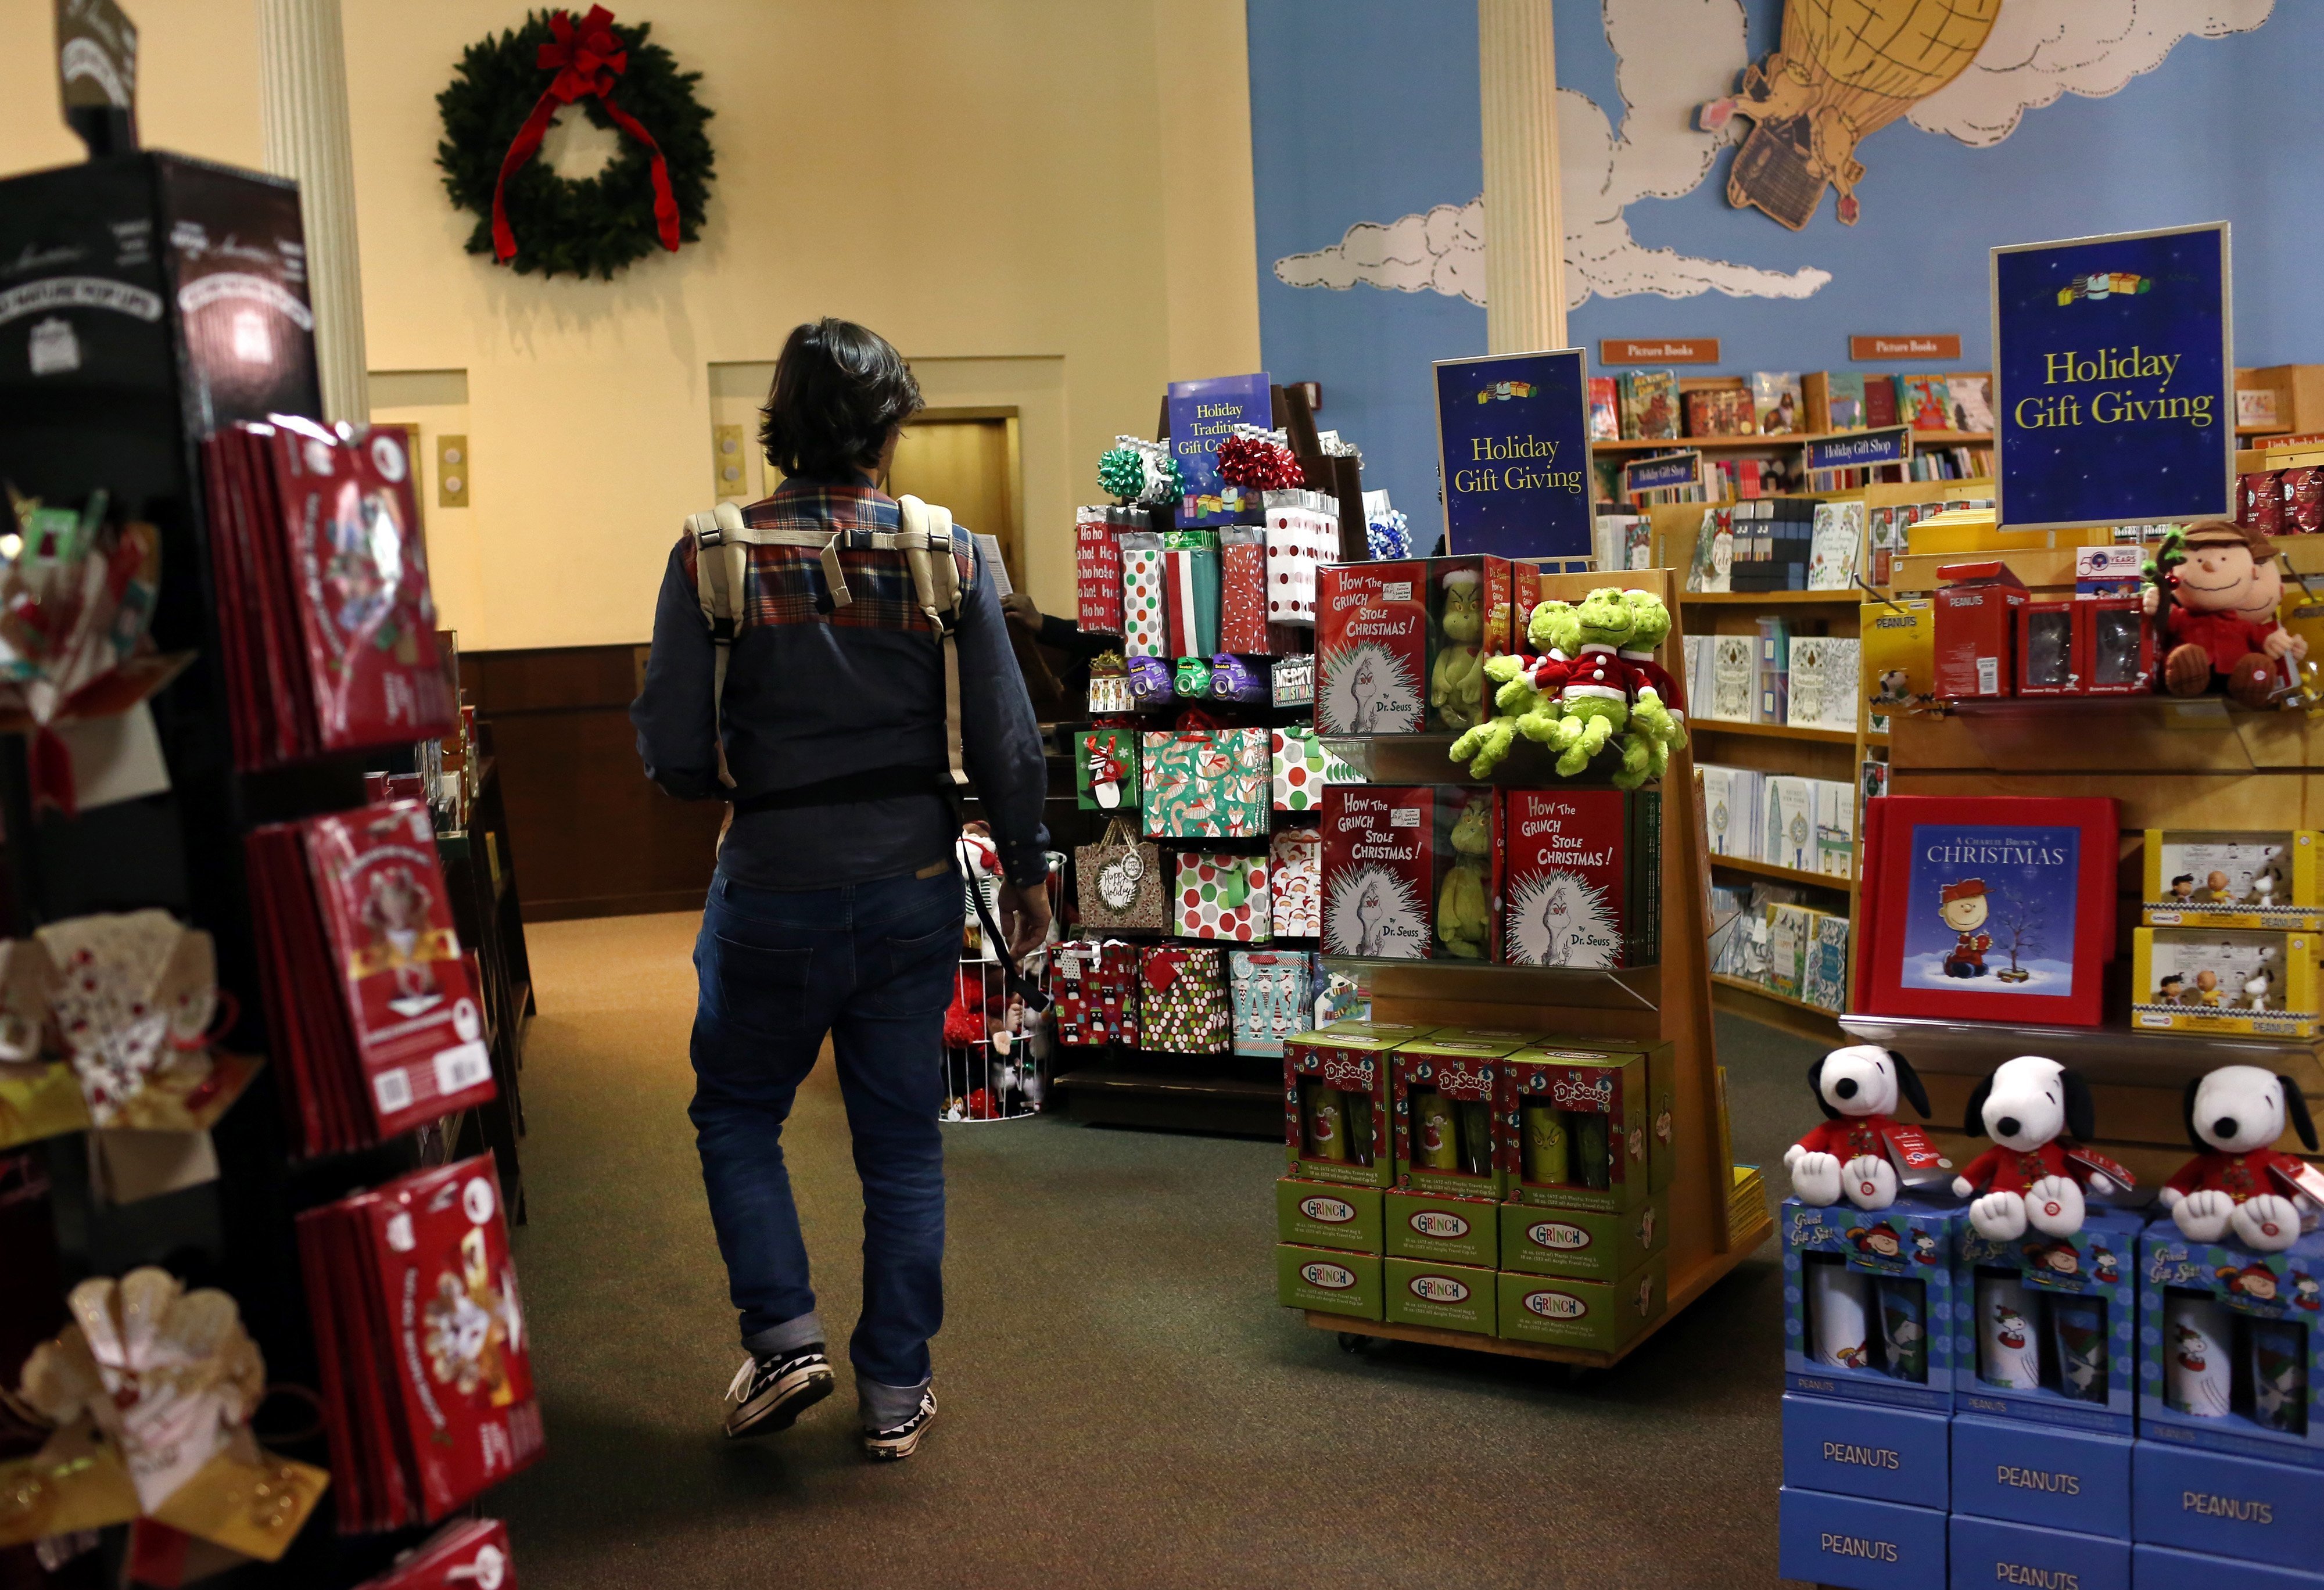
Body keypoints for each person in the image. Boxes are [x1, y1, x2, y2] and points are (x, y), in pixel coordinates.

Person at [631, 317, 1052, 1462]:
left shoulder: (709, 555)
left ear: (778, 421)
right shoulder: (947, 551)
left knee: (735, 1111)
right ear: (888, 426)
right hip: (912, 888)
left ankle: (781, 1335)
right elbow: (1010, 745)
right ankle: (892, 1391)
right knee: (901, 1146)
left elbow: (673, 754)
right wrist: (1028, 872)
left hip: (766, 886)